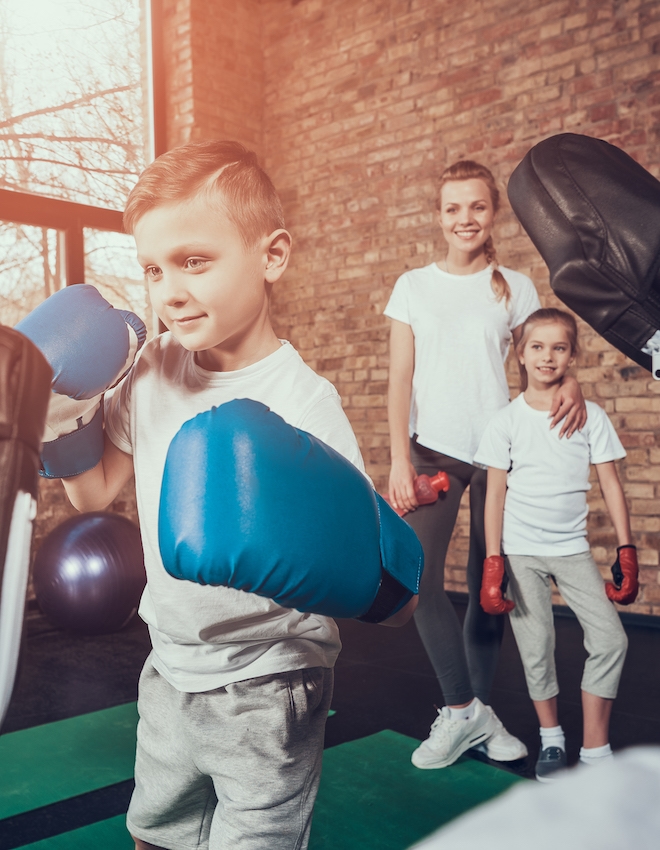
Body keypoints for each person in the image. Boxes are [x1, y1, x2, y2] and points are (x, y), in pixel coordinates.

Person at [20, 140, 417, 850]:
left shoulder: (305, 402)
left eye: (194, 261)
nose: (169, 290)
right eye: (152, 268)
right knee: (155, 833)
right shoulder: (152, 370)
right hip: (170, 662)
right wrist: (60, 418)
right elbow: (94, 495)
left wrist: (289, 544)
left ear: (272, 256)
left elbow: (380, 580)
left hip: (272, 678)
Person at [384, 159, 587, 770]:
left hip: (500, 454)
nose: (464, 218)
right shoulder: (413, 286)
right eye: (452, 208)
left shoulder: (514, 286)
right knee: (420, 581)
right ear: (439, 217)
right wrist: (398, 458)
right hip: (431, 450)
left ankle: (476, 714)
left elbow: (543, 355)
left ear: (491, 213)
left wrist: (571, 380)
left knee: (488, 587)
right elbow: (400, 378)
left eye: (476, 206)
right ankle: (462, 709)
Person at [475, 308, 635, 782]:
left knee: (610, 640)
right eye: (538, 347)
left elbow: (610, 482)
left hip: (573, 550)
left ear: (572, 356)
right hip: (521, 552)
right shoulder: (505, 422)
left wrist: (626, 549)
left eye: (559, 347)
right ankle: (552, 739)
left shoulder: (590, 417)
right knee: (537, 646)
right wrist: (493, 560)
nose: (548, 356)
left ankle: (595, 749)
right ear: (520, 355)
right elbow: (495, 494)